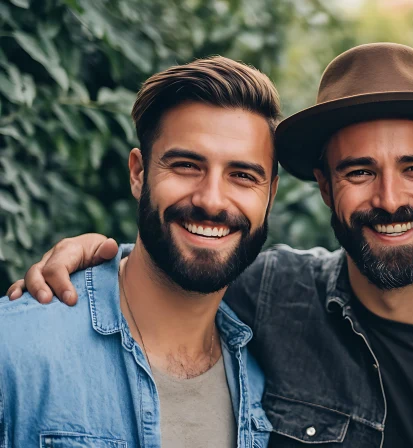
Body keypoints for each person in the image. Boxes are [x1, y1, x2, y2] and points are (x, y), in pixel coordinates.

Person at [7, 43, 413, 447]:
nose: (390, 199)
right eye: (358, 171)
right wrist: (100, 256)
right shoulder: (272, 296)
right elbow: (184, 257)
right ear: (324, 186)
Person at [0, 56, 278, 447]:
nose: (212, 201)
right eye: (186, 165)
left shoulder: (269, 376)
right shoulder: (14, 350)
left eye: (243, 176)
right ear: (138, 172)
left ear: (271, 194)